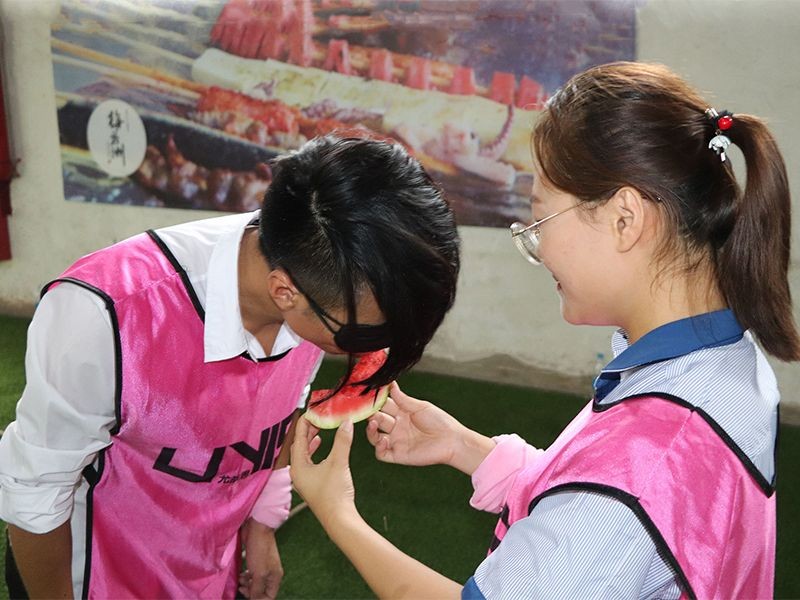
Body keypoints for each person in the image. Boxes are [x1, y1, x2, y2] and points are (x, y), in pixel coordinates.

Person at [290, 62, 800, 599]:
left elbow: (617, 499)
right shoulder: (722, 361)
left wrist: (337, 513)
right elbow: (607, 513)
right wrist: (467, 448)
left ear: (625, 219)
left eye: (540, 221)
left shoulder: (648, 455)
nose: (536, 247)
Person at [0, 135, 460, 599]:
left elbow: (284, 412)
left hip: (209, 574)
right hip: (95, 581)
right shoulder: (103, 314)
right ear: (284, 293)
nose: (375, 350)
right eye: (366, 337)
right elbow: (35, 498)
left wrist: (261, 524)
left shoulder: (317, 275)